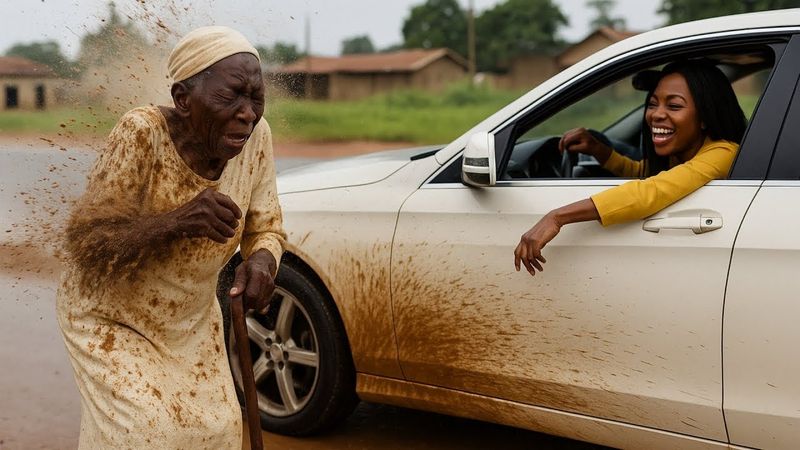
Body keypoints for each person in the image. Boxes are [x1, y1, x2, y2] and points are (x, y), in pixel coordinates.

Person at [56, 26, 286, 448]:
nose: (248, 113)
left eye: (255, 98)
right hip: (111, 316)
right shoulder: (141, 133)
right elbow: (87, 243)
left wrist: (262, 261)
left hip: (189, 319)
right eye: (231, 96)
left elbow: (266, 226)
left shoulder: (257, 139)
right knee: (147, 434)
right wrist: (177, 221)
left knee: (217, 434)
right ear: (183, 99)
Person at [514, 59, 747, 275]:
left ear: (705, 116)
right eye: (653, 104)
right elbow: (645, 173)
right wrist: (600, 151)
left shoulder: (723, 152)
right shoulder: (686, 153)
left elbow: (650, 191)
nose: (657, 114)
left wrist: (557, 217)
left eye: (674, 106)